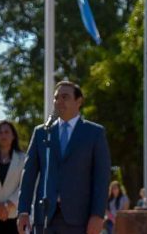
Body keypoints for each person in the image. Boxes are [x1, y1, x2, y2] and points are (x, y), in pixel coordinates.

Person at [17, 80, 111, 234]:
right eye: (56, 97)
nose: (59, 101)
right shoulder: (42, 132)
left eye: (65, 97)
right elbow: (28, 175)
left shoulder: (95, 133)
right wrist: (23, 211)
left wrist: (97, 215)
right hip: (45, 217)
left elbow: (102, 177)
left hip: (80, 220)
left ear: (78, 101)